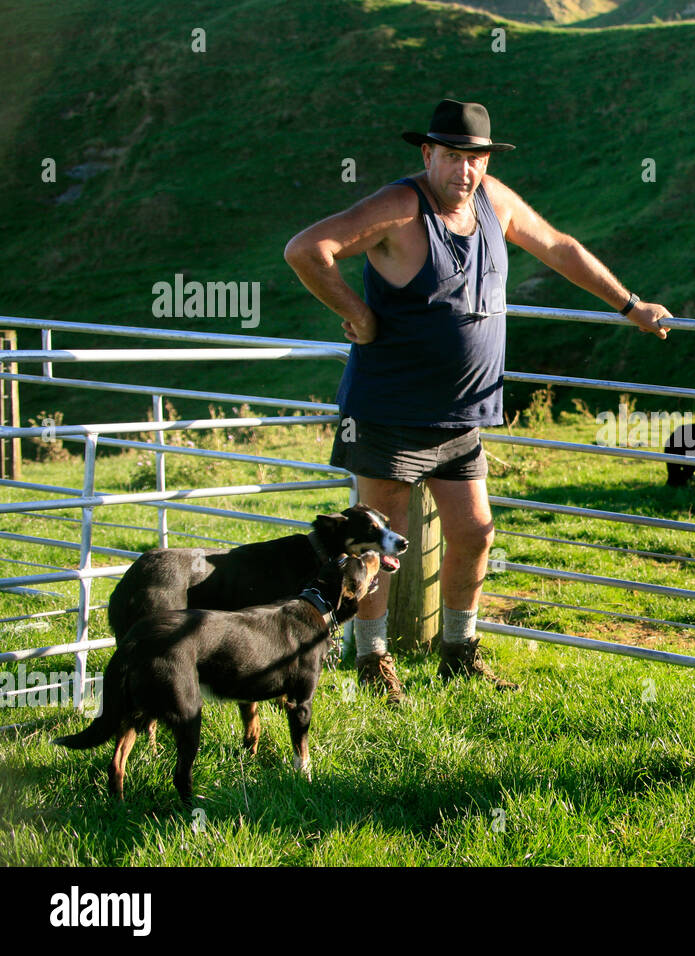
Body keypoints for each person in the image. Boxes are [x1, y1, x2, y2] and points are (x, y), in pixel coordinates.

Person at [284, 99, 670, 702]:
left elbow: (559, 246)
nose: (465, 171)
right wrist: (356, 313)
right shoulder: (399, 206)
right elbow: (307, 249)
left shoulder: (495, 200)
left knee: (476, 531)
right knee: (380, 543)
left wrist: (629, 305)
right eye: (453, 157)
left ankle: (459, 651)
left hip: (464, 415)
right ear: (428, 154)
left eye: (476, 158)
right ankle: (371, 659)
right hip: (390, 410)